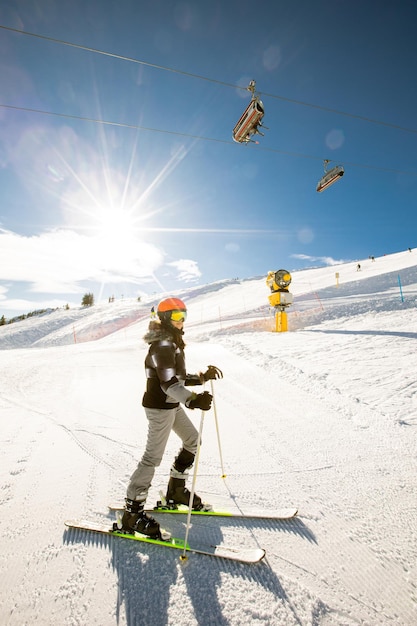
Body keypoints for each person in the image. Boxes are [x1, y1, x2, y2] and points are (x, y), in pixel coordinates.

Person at [120, 297, 223, 538]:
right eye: (177, 316)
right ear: (166, 319)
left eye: (184, 315)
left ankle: (176, 491)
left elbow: (176, 376)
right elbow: (167, 383)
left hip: (171, 405)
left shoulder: (170, 342)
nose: (182, 320)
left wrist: (200, 378)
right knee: (152, 458)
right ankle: (132, 514)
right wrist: (193, 399)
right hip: (160, 407)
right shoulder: (163, 345)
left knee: (193, 440)